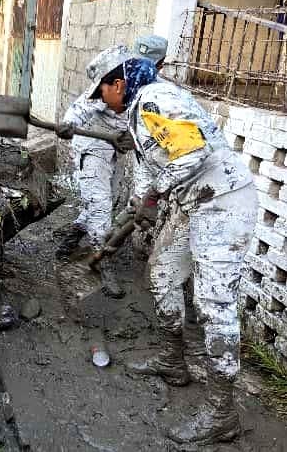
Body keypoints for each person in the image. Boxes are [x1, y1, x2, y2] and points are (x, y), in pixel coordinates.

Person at [89, 51, 255, 444]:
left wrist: (154, 194)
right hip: (193, 200)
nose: (100, 101)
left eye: (102, 92)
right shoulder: (140, 108)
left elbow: (194, 153)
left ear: (119, 84)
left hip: (223, 200)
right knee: (162, 272)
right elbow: (157, 159)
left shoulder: (154, 99)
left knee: (214, 305)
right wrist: (143, 199)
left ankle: (222, 412)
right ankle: (172, 360)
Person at [54, 36, 168, 299]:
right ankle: (102, 261)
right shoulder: (116, 78)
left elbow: (147, 151)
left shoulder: (156, 90)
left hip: (119, 148)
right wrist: (68, 124)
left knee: (108, 202)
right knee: (100, 204)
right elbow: (79, 108)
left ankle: (69, 241)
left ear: (160, 66)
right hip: (93, 142)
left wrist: (141, 194)